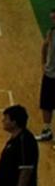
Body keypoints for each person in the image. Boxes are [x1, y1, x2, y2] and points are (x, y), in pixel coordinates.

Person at [35, 8, 55, 142]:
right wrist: (43, 63)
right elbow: (45, 46)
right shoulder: (51, 32)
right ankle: (47, 131)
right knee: (46, 104)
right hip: (49, 74)